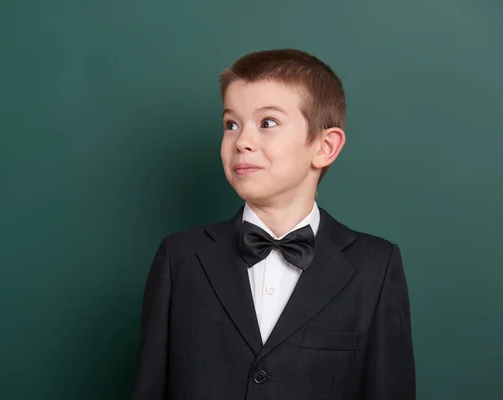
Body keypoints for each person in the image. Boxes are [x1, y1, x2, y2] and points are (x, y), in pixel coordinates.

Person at [131, 48, 415, 400]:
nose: (243, 142)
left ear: (325, 146)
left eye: (267, 123)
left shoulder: (375, 264)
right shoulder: (181, 257)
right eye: (231, 125)